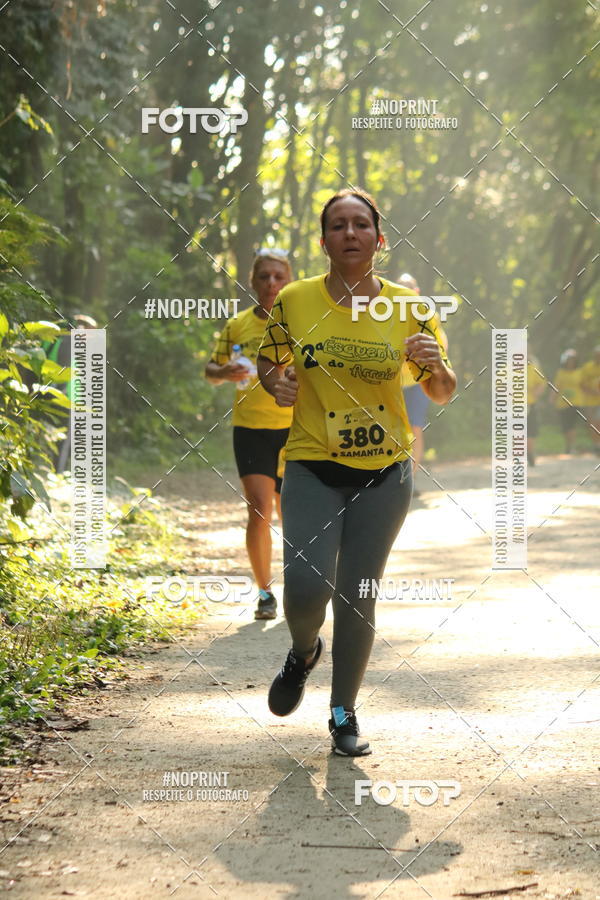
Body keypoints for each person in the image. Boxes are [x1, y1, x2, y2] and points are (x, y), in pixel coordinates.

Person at [257, 189, 455, 756]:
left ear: (379, 238)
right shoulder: (294, 300)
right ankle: (303, 651)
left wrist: (437, 365)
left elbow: (441, 390)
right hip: (311, 465)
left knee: (358, 594)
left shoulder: (409, 309)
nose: (349, 233)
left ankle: (343, 712)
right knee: (305, 589)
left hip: (385, 472)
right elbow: (271, 363)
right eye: (338, 225)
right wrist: (277, 382)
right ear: (323, 241)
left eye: (361, 224)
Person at [205, 250, 293, 620]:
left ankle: (303, 588)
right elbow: (210, 369)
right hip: (251, 429)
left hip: (295, 429)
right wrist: (225, 371)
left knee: (294, 515)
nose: (271, 284)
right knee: (259, 511)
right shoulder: (238, 325)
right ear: (253, 282)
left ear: (288, 281)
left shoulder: (301, 321)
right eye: (264, 277)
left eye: (278, 277)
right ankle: (265, 593)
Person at [398, 273, 449, 489]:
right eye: (401, 287)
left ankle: (410, 477)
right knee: (393, 428)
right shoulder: (383, 313)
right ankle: (394, 477)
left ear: (417, 291)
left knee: (415, 426)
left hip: (418, 381)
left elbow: (441, 346)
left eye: (409, 287)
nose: (405, 291)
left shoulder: (428, 315)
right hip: (390, 381)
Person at [553, 349, 585, 454]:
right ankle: (568, 446)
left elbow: (584, 386)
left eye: (573, 360)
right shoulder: (560, 373)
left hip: (576, 402)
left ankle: (572, 446)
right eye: (569, 360)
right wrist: (552, 398)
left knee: (572, 425)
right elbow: (556, 387)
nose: (571, 362)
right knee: (565, 426)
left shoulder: (579, 372)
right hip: (562, 403)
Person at [578, 345, 600, 455]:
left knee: (598, 422)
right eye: (597, 355)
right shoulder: (587, 367)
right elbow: (581, 384)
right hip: (590, 401)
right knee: (593, 424)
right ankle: (596, 445)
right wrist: (592, 392)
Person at [526, 356, 546, 466]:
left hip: (530, 404)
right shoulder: (506, 369)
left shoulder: (532, 368)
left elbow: (542, 383)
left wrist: (537, 392)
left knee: (531, 430)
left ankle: (529, 452)